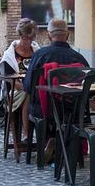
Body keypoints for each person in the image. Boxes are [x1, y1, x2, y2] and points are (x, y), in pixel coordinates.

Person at [22, 17, 89, 161]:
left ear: (48, 35)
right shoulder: (79, 59)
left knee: (33, 103)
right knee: (65, 111)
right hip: (73, 110)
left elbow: (28, 86)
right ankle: (62, 142)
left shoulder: (40, 56)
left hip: (44, 110)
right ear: (68, 35)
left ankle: (49, 140)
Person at [0, 18, 39, 143]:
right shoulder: (9, 55)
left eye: (31, 38)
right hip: (15, 92)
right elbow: (9, 81)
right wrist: (27, 86)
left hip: (35, 89)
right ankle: (27, 135)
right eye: (26, 38)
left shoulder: (36, 50)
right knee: (28, 94)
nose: (29, 41)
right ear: (21, 36)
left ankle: (48, 137)